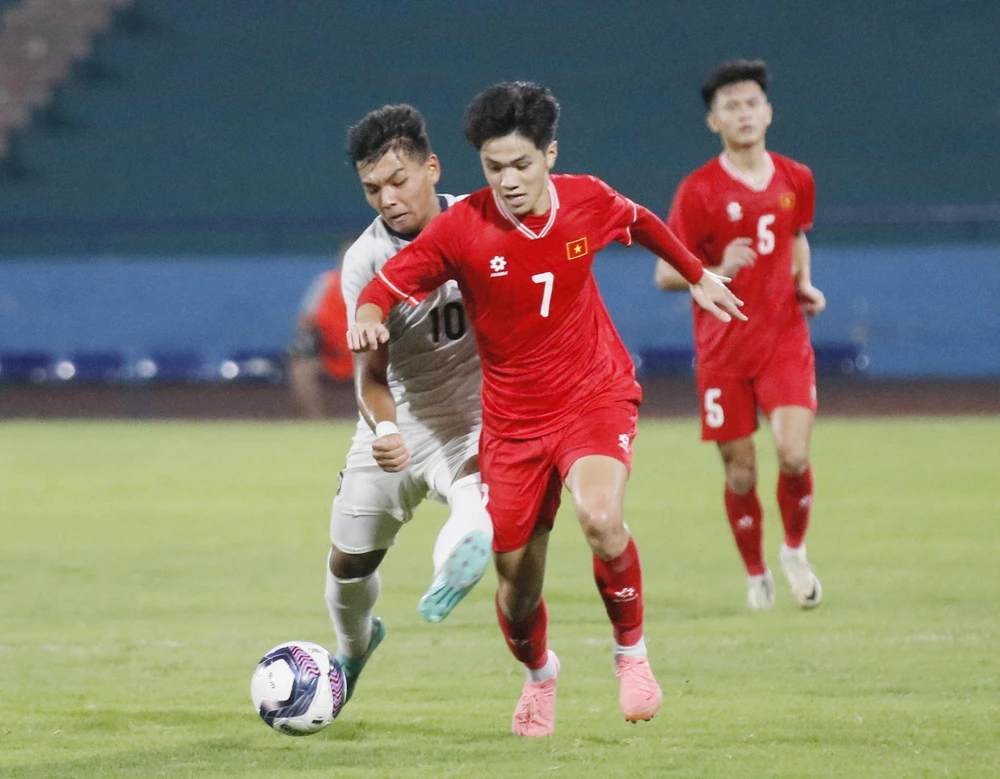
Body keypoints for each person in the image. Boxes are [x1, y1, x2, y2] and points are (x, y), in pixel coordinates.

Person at [346, 82, 745, 737]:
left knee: (600, 513)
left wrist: (697, 274)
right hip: (511, 423)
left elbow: (640, 220)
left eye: (521, 165)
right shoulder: (461, 229)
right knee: (517, 589)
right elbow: (389, 284)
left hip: (593, 393)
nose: (507, 180)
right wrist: (365, 318)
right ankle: (540, 675)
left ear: (549, 154)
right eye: (494, 166)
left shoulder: (586, 199)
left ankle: (631, 654)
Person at [325, 104, 493, 705]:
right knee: (348, 566)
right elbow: (368, 376)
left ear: (432, 167)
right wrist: (385, 429)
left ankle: (456, 565)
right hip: (404, 416)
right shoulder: (365, 262)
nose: (387, 198)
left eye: (398, 180)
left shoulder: (483, 221)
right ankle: (354, 647)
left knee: (477, 493)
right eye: (372, 188)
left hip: (478, 416)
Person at [654, 59, 825, 611]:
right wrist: (718, 268)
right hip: (723, 349)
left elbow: (796, 236)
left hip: (783, 340)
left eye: (752, 102)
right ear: (714, 121)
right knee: (742, 470)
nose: (744, 113)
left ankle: (794, 550)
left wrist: (804, 282)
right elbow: (663, 274)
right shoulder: (698, 191)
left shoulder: (796, 177)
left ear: (768, 111)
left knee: (793, 454)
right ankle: (756, 573)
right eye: (731, 105)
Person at [286, 244, 355, 419]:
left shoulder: (380, 285)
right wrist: (309, 339)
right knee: (301, 370)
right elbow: (304, 321)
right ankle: (317, 421)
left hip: (368, 357)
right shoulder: (325, 283)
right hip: (331, 354)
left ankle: (382, 423)